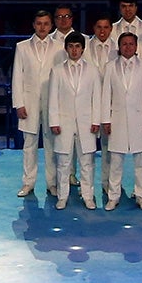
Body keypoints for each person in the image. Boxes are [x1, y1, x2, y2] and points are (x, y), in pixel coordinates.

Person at [44, 32, 104, 210]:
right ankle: (62, 196)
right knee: (63, 162)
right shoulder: (57, 70)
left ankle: (88, 196)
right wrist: (54, 121)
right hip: (64, 123)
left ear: (83, 49)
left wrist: (96, 121)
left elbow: (96, 98)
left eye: (78, 46)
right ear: (66, 48)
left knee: (87, 162)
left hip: (86, 124)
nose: (74, 50)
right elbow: (53, 98)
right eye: (71, 46)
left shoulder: (92, 71)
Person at [99, 31, 142, 211]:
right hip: (117, 120)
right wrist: (105, 120)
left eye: (131, 44)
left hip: (140, 120)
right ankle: (113, 196)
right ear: (119, 46)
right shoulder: (110, 67)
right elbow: (106, 95)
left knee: (141, 161)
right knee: (115, 161)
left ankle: (141, 195)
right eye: (124, 44)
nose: (128, 47)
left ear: (136, 46)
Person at [10, 9, 58, 199]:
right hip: (29, 103)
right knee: (29, 145)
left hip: (51, 103)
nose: (42, 27)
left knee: (51, 144)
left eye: (46, 24)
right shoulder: (22, 47)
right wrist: (19, 104)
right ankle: (28, 183)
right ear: (33, 25)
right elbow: (17, 77)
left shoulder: (59, 47)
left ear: (51, 25)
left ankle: (52, 183)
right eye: (39, 23)